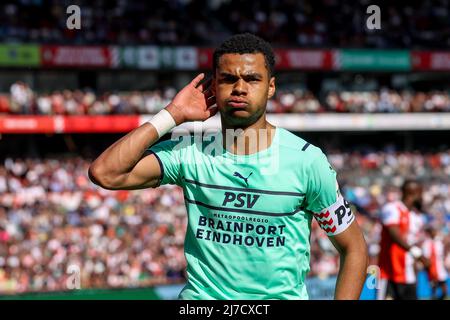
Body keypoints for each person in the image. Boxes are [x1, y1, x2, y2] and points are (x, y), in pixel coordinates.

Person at [89, 33, 368, 300]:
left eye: (252, 79)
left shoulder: (307, 160)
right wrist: (171, 115)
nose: (239, 88)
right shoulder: (190, 152)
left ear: (271, 86)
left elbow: (353, 247)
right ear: (214, 86)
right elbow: (105, 173)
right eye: (228, 79)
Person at [377, 179, 429, 300]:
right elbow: (394, 235)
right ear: (414, 193)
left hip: (408, 276)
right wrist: (418, 254)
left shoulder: (414, 217)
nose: (422, 198)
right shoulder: (392, 209)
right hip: (390, 274)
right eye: (420, 194)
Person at [422, 225, 448, 300]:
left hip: (440, 265)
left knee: (442, 282)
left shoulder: (439, 241)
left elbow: (444, 250)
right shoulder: (426, 243)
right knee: (433, 284)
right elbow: (425, 256)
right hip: (431, 266)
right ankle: (434, 296)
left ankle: (444, 296)